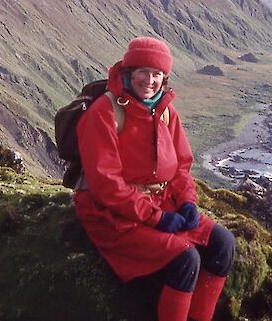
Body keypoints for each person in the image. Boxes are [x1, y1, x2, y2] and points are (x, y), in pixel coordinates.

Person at [74, 37, 236, 321]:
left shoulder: (165, 113)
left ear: (165, 77)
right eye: (143, 72)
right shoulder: (104, 113)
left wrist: (187, 202)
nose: (149, 80)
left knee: (223, 243)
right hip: (110, 213)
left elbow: (181, 167)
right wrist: (156, 218)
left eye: (157, 74)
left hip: (160, 202)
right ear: (129, 72)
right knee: (186, 259)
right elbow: (105, 185)